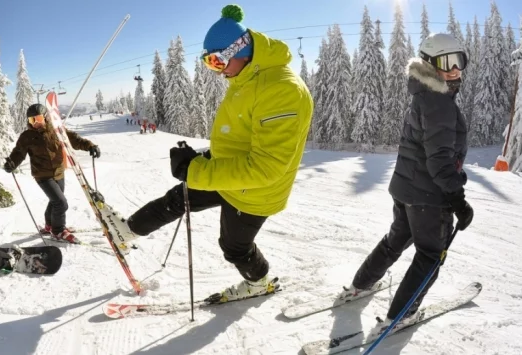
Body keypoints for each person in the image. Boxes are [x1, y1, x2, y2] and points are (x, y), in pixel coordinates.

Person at [109, 4, 313, 300]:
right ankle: (128, 231)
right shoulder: (246, 76)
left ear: (240, 48)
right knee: (180, 196)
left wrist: (196, 169)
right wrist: (200, 159)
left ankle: (260, 282)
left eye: (218, 62)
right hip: (231, 172)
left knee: (234, 247)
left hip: (255, 191)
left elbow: (266, 167)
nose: (216, 71)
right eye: (209, 63)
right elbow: (241, 135)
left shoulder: (281, 90)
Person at [339, 33, 474, 331]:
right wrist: (457, 199)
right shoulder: (440, 103)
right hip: (428, 197)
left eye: (459, 61)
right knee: (429, 256)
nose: (455, 69)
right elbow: (439, 159)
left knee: (394, 242)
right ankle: (401, 315)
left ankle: (359, 285)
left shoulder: (424, 94)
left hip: (406, 190)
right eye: (446, 62)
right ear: (429, 64)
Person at [4, 103, 102, 244]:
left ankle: (50, 225)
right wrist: (12, 163)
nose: (36, 123)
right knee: (61, 203)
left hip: (59, 172)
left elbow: (74, 140)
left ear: (46, 117)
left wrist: (90, 146)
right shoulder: (27, 136)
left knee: (55, 201)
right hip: (42, 175)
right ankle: (58, 231)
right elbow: (19, 152)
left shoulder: (57, 130)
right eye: (32, 120)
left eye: (38, 119)